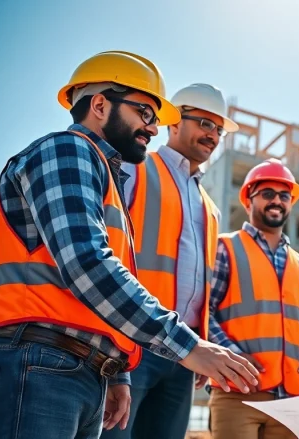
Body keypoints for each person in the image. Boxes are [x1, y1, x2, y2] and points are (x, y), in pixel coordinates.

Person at [0, 51, 259, 439]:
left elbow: (112, 273)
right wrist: (188, 346)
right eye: (145, 113)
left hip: (85, 362)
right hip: (38, 359)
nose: (153, 128)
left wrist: (117, 367)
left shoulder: (107, 175)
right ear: (99, 105)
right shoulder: (67, 150)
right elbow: (88, 264)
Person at [100, 83, 239, 439]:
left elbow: (201, 286)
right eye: (204, 123)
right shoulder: (135, 168)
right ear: (174, 122)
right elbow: (106, 250)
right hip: (131, 340)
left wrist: (201, 344)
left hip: (183, 354)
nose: (213, 135)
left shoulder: (210, 208)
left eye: (219, 129)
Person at [206, 158, 299, 439]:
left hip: (291, 398)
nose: (277, 201)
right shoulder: (225, 247)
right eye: (268, 194)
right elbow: (204, 311)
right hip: (236, 394)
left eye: (284, 196)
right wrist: (233, 356)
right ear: (248, 201)